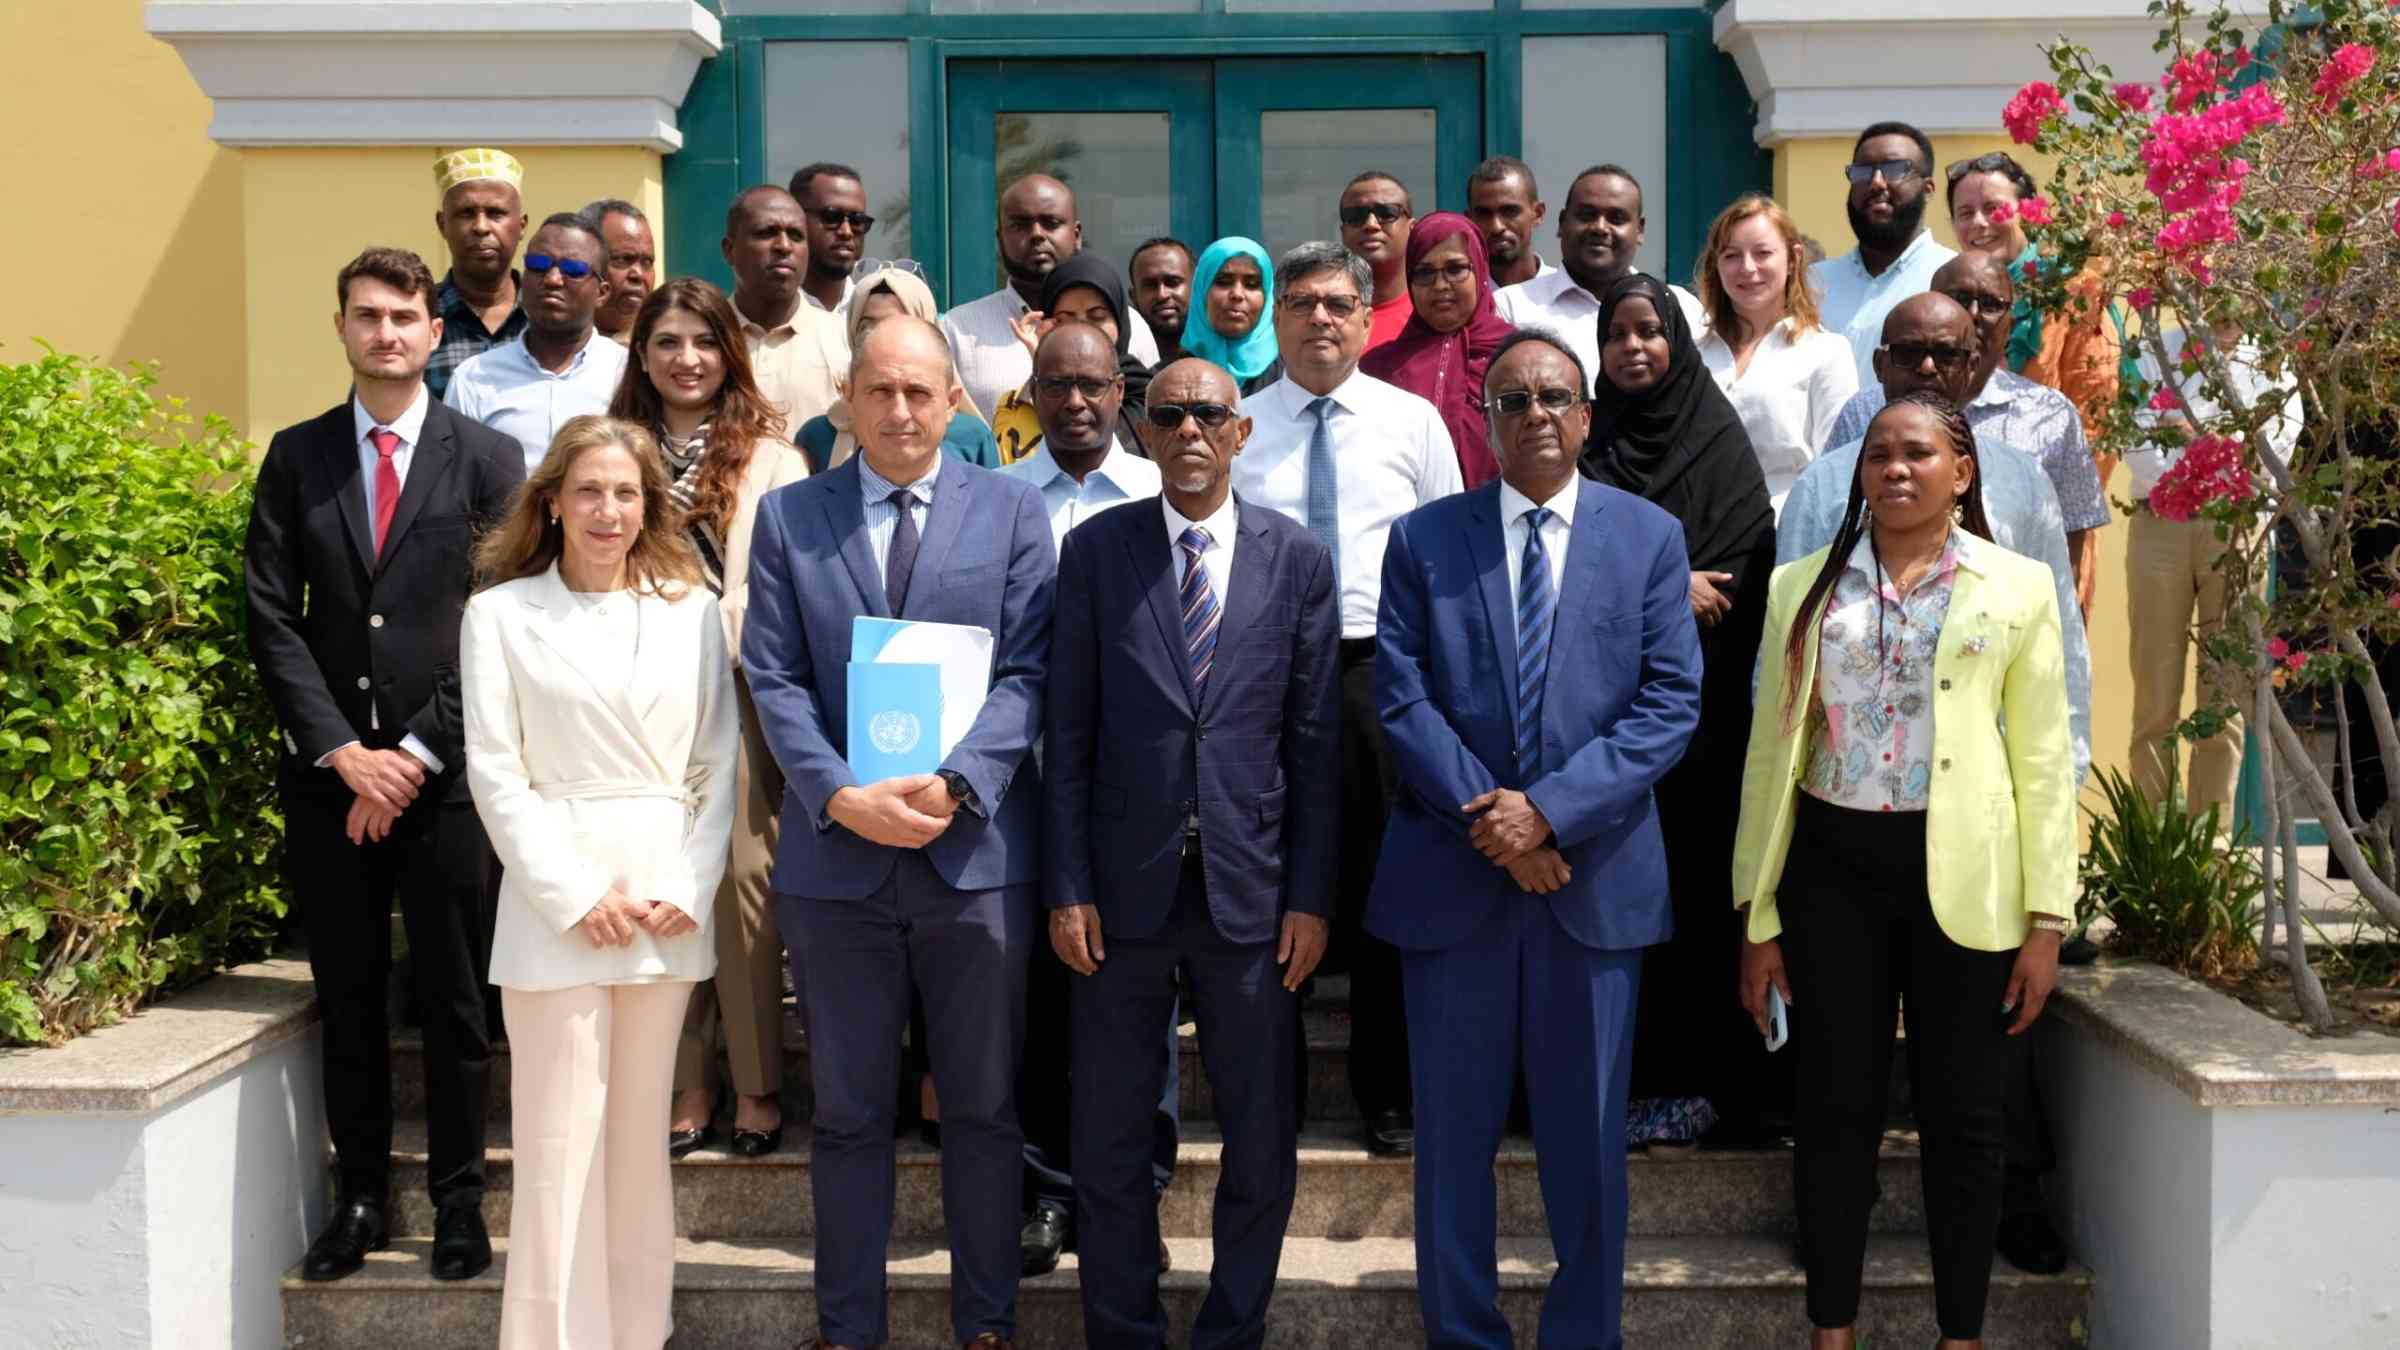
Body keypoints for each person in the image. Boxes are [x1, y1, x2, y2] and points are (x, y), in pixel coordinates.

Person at [1372, 326, 1703, 1350]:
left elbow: (1669, 701)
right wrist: (1502, 825)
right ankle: (1463, 1334)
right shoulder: (1424, 539)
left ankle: (1580, 1336)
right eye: (1513, 400)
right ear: (1486, 419)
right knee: (1453, 1141)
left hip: (1591, 886)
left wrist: (1549, 812)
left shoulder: (1648, 536)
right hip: (1456, 888)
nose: (1537, 416)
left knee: (1586, 1142)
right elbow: (1401, 697)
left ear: (1588, 414)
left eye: (1556, 396)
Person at [1733, 390, 2074, 1350]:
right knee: (1833, 1109)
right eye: (1878, 453)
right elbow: (1771, 755)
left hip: (1966, 874)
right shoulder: (1801, 585)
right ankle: (1830, 1330)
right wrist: (1756, 913)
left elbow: (2043, 757)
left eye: (1917, 452)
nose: (1894, 468)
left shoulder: (2015, 587)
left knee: (1964, 1119)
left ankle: (1958, 1335)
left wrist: (2048, 918)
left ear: (1960, 473)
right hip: (1832, 868)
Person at [742, 315, 1053, 1350]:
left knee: (981, 1108)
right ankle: (849, 1327)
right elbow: (774, 677)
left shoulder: (1013, 513)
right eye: (881, 391)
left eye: (923, 392)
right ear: (849, 400)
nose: (903, 411)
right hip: (838, 870)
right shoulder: (791, 519)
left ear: (953, 400)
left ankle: (989, 1323)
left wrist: (960, 784)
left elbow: (1029, 673)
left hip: (972, 864)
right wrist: (837, 794)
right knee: (846, 1114)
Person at [244, 246, 524, 1284]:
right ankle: (359, 1197)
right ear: (343, 328)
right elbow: (272, 617)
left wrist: (406, 753)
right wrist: (343, 753)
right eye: (368, 316)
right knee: (350, 996)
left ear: (433, 331)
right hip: (330, 784)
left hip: (442, 780)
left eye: (406, 316)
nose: (388, 333)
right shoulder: (298, 456)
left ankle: (459, 1203)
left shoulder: (487, 460)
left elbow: (503, 624)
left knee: (453, 1003)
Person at [1048, 356, 1340, 1350]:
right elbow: (1069, 730)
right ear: (1142, 427)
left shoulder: (1298, 560)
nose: (1188, 433)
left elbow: (1313, 743)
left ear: (1242, 430)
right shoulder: (1096, 553)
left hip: (1252, 897)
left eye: (1208, 414)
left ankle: (1232, 1331)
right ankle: (1122, 1330)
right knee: (1112, 1140)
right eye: (1168, 414)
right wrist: (1067, 884)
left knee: (1261, 1141)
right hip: (1121, 897)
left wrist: (1309, 895)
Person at [459, 414, 737, 1349]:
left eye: (626, 492)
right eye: (588, 490)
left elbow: (717, 763)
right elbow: (496, 771)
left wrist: (686, 885)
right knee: (554, 1153)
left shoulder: (692, 610)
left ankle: (636, 1334)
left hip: (661, 910)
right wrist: (577, 895)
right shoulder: (498, 614)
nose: (607, 510)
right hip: (554, 914)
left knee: (636, 1156)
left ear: (649, 503)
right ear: (552, 502)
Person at [1232, 241, 1463, 1157]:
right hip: (1263, 671)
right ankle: (1269, 1090)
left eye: (1338, 302)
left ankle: (1389, 1094)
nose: (1320, 317)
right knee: (1268, 879)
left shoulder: (1413, 425)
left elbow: (1450, 559)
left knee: (1381, 882)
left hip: (1381, 670)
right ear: (1275, 318)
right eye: (1302, 302)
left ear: (1369, 318)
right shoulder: (1239, 427)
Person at [607, 277, 810, 1160]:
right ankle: (689, 1078)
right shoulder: (611, 450)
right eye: (666, 342)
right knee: (657, 881)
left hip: (737, 694)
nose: (686, 359)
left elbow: (776, 584)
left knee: (740, 889)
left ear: (730, 351)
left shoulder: (773, 455)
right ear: (641, 356)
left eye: (702, 341)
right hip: (630, 705)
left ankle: (758, 1083)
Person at [1579, 275, 1781, 1149]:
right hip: (1598, 729)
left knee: (1697, 900)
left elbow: (1739, 577)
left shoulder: (1719, 446)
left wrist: (1661, 588)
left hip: (1700, 736)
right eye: (1617, 335)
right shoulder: (1586, 444)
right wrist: (1666, 585)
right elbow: (1566, 563)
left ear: (1677, 344)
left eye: (1648, 333)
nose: (1633, 349)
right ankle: (1609, 1083)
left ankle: (1703, 1087)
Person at [1000, 323, 1175, 1278]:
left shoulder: (1164, 492)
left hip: (1143, 798)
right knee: (1042, 1003)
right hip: (1022, 785)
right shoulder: (997, 501)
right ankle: (1048, 1192)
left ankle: (1139, 1184)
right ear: (1030, 392)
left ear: (1121, 393)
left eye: (1093, 386)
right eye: (1055, 386)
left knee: (1142, 999)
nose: (1075, 402)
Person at [1782, 293, 2093, 788]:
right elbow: (1783, 652)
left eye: (1946, 355)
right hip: (1842, 789)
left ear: (1972, 368)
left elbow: (2061, 642)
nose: (1927, 368)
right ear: (1880, 364)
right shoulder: (1823, 486)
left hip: (1982, 792)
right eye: (1908, 353)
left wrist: (2064, 772)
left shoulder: (2024, 483)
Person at [1827, 254, 2111, 617]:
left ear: (2010, 323)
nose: (1974, 313)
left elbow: (2069, 545)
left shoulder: (2051, 415)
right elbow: (1831, 517)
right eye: (1959, 298)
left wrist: (2061, 636)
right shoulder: (1864, 413)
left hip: (2006, 629)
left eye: (1991, 304)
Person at [2124, 319, 2300, 819]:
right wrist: (2221, 450)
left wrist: (2190, 434)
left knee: (2224, 698)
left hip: (2238, 526)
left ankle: (2212, 850)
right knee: (2154, 697)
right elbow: (2135, 439)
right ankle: (2152, 847)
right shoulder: (2152, 350)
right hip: (2160, 523)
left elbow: (2275, 450)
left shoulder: (2272, 358)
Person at [1948, 150, 2124, 477]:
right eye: (1965, 213)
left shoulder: (2073, 292)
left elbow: (2096, 419)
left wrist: (2052, 508)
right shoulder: (1948, 299)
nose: (1979, 223)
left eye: (1994, 208)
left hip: (2046, 504)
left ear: (2027, 212)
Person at [943, 174, 1162, 425]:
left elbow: (1151, 420)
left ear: (1076, 234)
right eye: (1020, 225)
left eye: (1051, 223)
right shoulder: (958, 329)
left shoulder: (1126, 325)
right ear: (1000, 238)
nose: (1036, 234)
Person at [1694, 194, 1858, 514]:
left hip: (1788, 529)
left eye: (1763, 253)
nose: (1747, 268)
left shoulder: (1825, 352)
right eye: (1731, 255)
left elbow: (1839, 466)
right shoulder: (1694, 352)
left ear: (1793, 258)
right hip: (1702, 530)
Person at [445, 212, 630, 474]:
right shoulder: (473, 379)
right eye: (539, 264)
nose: (553, 279)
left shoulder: (627, 372)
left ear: (602, 293)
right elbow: (457, 482)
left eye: (573, 270)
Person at [1493, 164, 1705, 389]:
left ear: (1640, 230)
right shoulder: (1510, 308)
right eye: (1586, 215)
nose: (1600, 228)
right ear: (1562, 223)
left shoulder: (1682, 307)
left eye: (1616, 218)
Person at [1361, 211, 1516, 488]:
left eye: (1456, 269)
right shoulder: (1377, 368)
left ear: (1480, 270)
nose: (1441, 285)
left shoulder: (1519, 357)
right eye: (1424, 273)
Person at [798, 263, 1002, 473]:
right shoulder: (818, 436)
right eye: (867, 327)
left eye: (898, 323)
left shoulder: (971, 438)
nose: (882, 337)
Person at [1812, 122, 1960, 388]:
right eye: (1862, 171)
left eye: (1894, 170)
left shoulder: (1952, 277)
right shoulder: (1813, 282)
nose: (1876, 182)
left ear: (1928, 190)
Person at [990, 254, 1153, 462]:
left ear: (1120, 323)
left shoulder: (1157, 399)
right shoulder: (1018, 407)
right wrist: (1045, 361)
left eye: (1097, 317)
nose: (1082, 328)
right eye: (1064, 319)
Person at [721, 185, 849, 441]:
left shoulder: (845, 341)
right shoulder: (703, 340)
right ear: (729, 250)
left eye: (796, 236)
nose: (783, 246)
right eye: (766, 233)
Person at [427, 147, 529, 401]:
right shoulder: (416, 319)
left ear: (522, 226)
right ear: (442, 225)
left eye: (496, 213)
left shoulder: (550, 318)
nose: (481, 227)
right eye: (465, 213)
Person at [1179, 236, 1282, 396]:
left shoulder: (1293, 376)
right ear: (1201, 291)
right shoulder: (1168, 375)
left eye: (1252, 285)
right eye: (1223, 281)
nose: (1237, 294)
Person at [1338, 171, 1417, 350]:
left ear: (1412, 228)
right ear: (1343, 232)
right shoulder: (1322, 315)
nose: (1371, 224)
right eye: (1356, 215)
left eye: (1387, 213)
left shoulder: (1434, 312)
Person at [790, 162, 873, 315]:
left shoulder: (875, 312)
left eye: (857, 220)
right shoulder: (770, 313)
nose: (846, 232)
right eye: (831, 217)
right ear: (795, 219)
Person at [1465, 155, 1549, 290]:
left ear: (1538, 214)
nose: (1496, 227)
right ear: (1469, 220)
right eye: (1484, 214)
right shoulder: (1463, 301)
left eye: (1509, 211)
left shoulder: (1570, 296)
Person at [585, 198, 658, 345]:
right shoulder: (542, 347)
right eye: (624, 259)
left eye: (647, 262)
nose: (638, 274)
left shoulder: (666, 350)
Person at [1128, 236, 1194, 365]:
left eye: (1173, 282)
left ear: (1196, 288)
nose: (1162, 295)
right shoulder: (1122, 364)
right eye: (1150, 285)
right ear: (1134, 297)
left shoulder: (1217, 361)